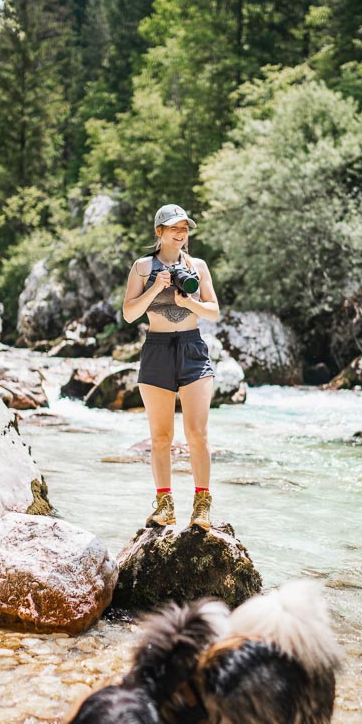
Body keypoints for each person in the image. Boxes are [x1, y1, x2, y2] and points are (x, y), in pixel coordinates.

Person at [122, 203, 220, 530]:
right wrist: (155, 288)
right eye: (174, 227)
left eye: (185, 228)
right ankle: (165, 506)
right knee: (161, 436)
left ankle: (202, 508)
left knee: (197, 433)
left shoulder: (198, 266)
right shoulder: (141, 267)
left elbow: (213, 312)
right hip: (157, 350)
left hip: (193, 349)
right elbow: (129, 313)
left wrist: (187, 301)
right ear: (159, 232)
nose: (181, 233)